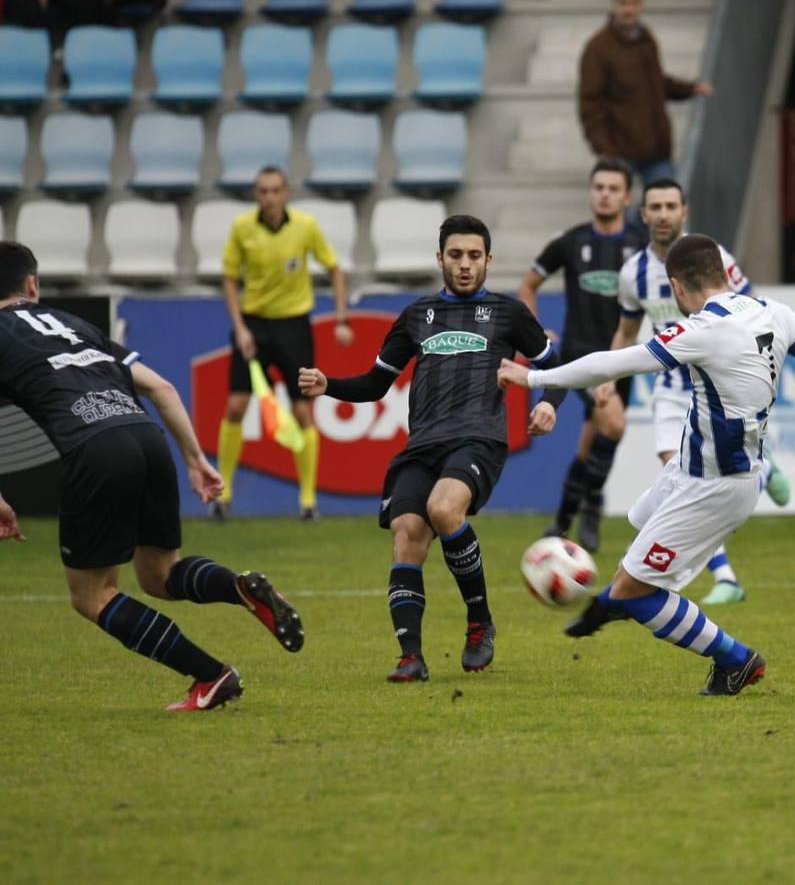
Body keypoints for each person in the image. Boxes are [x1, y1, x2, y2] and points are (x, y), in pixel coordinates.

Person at [498, 233, 795, 695]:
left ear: (676, 287)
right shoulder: (773, 311)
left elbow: (613, 363)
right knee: (637, 536)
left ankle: (735, 660)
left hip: (716, 486)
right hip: (690, 471)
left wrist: (532, 376)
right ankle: (608, 605)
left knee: (637, 591)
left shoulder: (701, 331)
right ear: (727, 273)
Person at [0, 241, 304, 712]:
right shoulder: (74, 324)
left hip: (95, 448)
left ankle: (212, 674)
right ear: (32, 285)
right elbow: (160, 386)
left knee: (92, 595)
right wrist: (196, 459)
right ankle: (237, 587)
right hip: (146, 435)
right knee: (160, 574)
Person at [298, 215, 565, 682]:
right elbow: (377, 383)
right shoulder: (417, 316)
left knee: (444, 509)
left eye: (474, 256)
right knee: (406, 533)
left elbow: (554, 367)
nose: (465, 265)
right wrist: (329, 385)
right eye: (456, 255)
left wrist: (549, 404)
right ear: (440, 258)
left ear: (488, 261)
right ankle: (411, 658)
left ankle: (479, 622)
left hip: (479, 438)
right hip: (422, 444)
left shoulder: (509, 313)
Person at [606, 177, 790, 605]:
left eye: (672, 206)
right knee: (684, 475)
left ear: (684, 212)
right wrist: (607, 386)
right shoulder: (632, 273)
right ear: (644, 213)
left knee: (693, 479)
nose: (664, 214)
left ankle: (760, 472)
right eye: (656, 206)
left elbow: (755, 313)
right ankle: (726, 575)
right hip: (672, 387)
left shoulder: (715, 259)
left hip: (720, 382)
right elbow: (627, 333)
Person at [517, 157, 646, 552]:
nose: (604, 194)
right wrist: (535, 330)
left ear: (626, 197)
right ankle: (589, 509)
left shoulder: (640, 247)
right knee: (614, 425)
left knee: (592, 443)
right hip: (582, 355)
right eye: (599, 187)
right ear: (591, 193)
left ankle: (564, 520)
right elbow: (528, 284)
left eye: (612, 188)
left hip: (626, 356)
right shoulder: (571, 242)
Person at [214, 165, 352, 522]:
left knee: (303, 410)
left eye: (275, 190)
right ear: (255, 195)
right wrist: (240, 327)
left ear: (286, 192)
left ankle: (308, 500)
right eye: (263, 191)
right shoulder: (242, 228)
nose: (269, 197)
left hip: (294, 325)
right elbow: (230, 279)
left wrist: (340, 319)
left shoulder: (305, 227)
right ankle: (222, 494)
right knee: (235, 406)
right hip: (254, 325)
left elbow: (335, 269)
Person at [577, 0, 713, 190]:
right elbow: (589, 105)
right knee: (620, 216)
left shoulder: (646, 40)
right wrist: (606, 151)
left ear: (641, 6)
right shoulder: (598, 48)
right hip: (620, 153)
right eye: (623, 3)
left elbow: (658, 82)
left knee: (667, 208)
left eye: (634, 3)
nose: (628, 9)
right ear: (614, 6)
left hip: (656, 150)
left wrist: (691, 89)